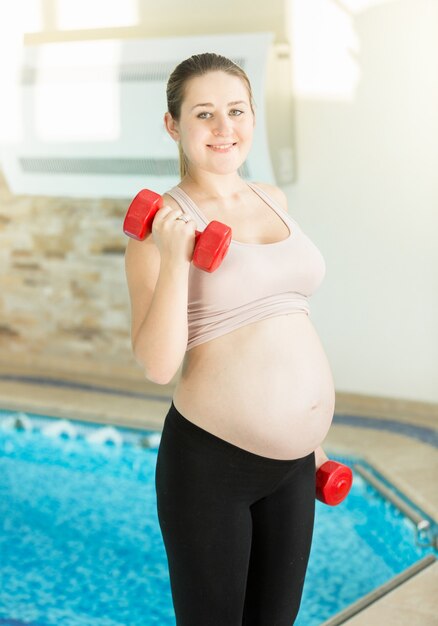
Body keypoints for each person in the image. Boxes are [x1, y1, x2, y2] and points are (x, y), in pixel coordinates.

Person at [125, 52, 335, 626]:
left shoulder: (273, 199)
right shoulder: (162, 227)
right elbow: (158, 364)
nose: (224, 128)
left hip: (294, 464)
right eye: (204, 114)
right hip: (212, 466)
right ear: (173, 125)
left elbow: (288, 321)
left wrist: (312, 438)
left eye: (236, 111)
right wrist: (174, 259)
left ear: (252, 116)